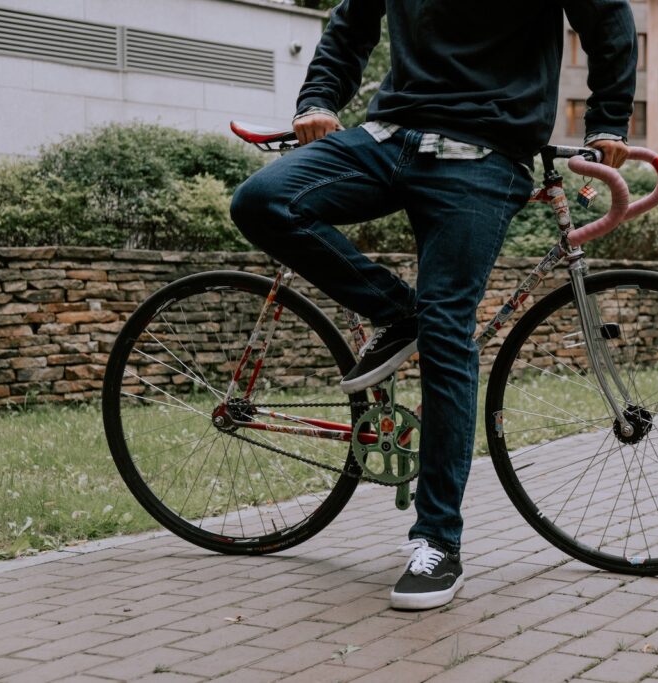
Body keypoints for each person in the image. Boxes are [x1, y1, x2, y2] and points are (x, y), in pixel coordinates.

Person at [229, 0, 636, 611]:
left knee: (448, 331)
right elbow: (351, 24)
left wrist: (608, 121)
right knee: (262, 200)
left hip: (485, 154)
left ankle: (438, 542)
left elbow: (607, 18)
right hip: (389, 139)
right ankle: (398, 312)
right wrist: (317, 102)